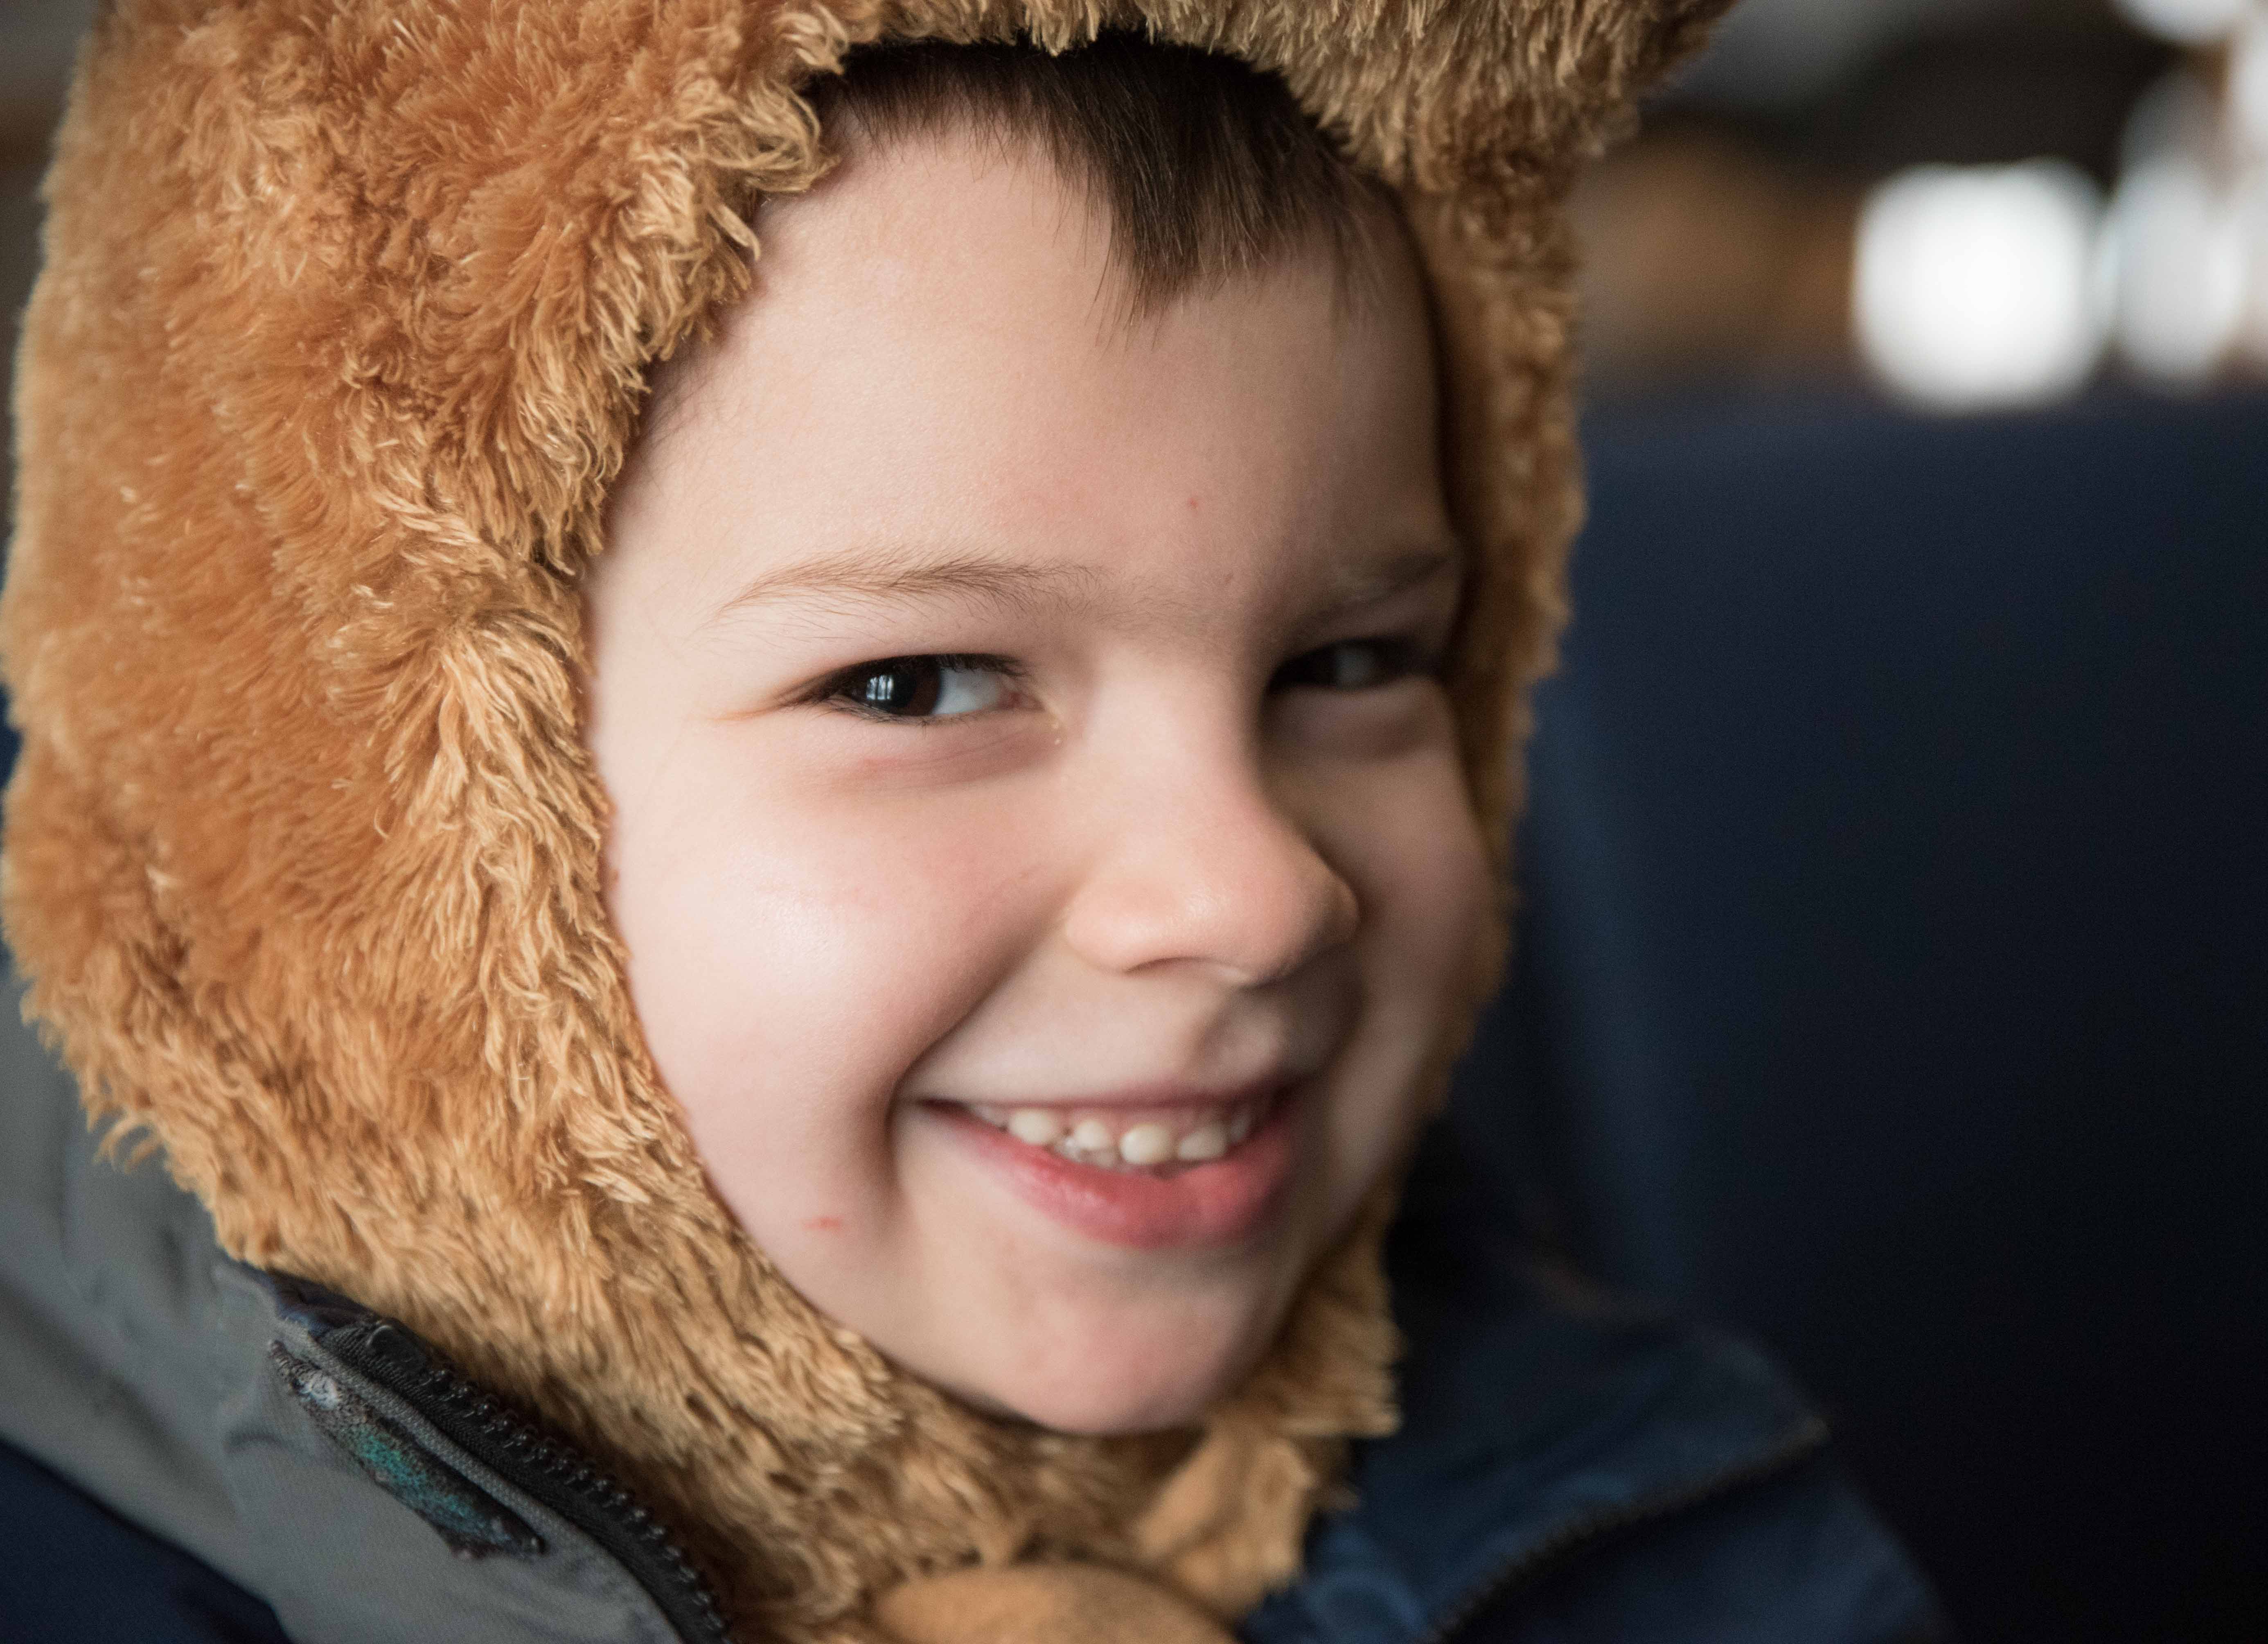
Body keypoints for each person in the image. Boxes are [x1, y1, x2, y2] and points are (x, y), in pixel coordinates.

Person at [0, 5, 1944, 1642]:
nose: (1256, 893)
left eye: (1348, 662)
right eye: (918, 684)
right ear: (362, 807)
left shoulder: (1657, 1525)